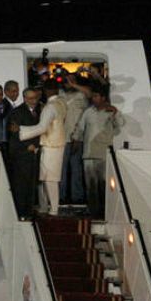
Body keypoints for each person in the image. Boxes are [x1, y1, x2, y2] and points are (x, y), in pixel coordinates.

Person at [71, 87, 124, 218]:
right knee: (90, 185)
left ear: (103, 98)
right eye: (93, 96)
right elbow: (80, 128)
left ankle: (106, 211)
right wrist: (76, 142)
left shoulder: (111, 112)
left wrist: (115, 113)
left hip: (104, 154)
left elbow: (120, 127)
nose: (93, 98)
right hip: (88, 153)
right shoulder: (88, 112)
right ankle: (93, 211)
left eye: (96, 96)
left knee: (104, 185)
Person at [18, 81, 67, 216]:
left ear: (45, 91)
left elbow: (42, 127)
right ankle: (46, 207)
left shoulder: (49, 107)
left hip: (51, 144)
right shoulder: (62, 103)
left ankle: (54, 209)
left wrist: (21, 132)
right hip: (58, 142)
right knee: (48, 177)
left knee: (50, 178)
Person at [6, 88, 41, 220]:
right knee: (21, 184)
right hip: (21, 153)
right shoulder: (17, 113)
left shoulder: (38, 111)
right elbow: (14, 133)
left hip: (33, 153)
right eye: (31, 98)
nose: (34, 101)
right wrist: (28, 145)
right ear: (25, 98)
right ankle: (21, 212)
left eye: (35, 98)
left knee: (32, 183)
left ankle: (29, 210)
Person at [58, 73, 91, 206]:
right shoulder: (60, 94)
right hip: (61, 137)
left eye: (72, 81)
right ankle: (61, 196)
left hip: (78, 137)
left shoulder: (81, 95)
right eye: (67, 81)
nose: (68, 83)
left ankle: (77, 197)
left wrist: (74, 85)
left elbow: (89, 93)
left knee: (76, 169)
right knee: (62, 169)